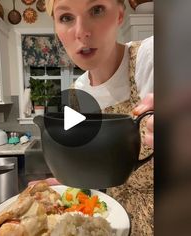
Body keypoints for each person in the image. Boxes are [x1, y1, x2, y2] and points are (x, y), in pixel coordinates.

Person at [30, 0, 154, 235]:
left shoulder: (150, 58)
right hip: (117, 223)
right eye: (66, 17)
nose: (82, 32)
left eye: (96, 10)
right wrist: (62, 182)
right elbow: (88, 164)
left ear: (119, 15)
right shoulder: (78, 93)